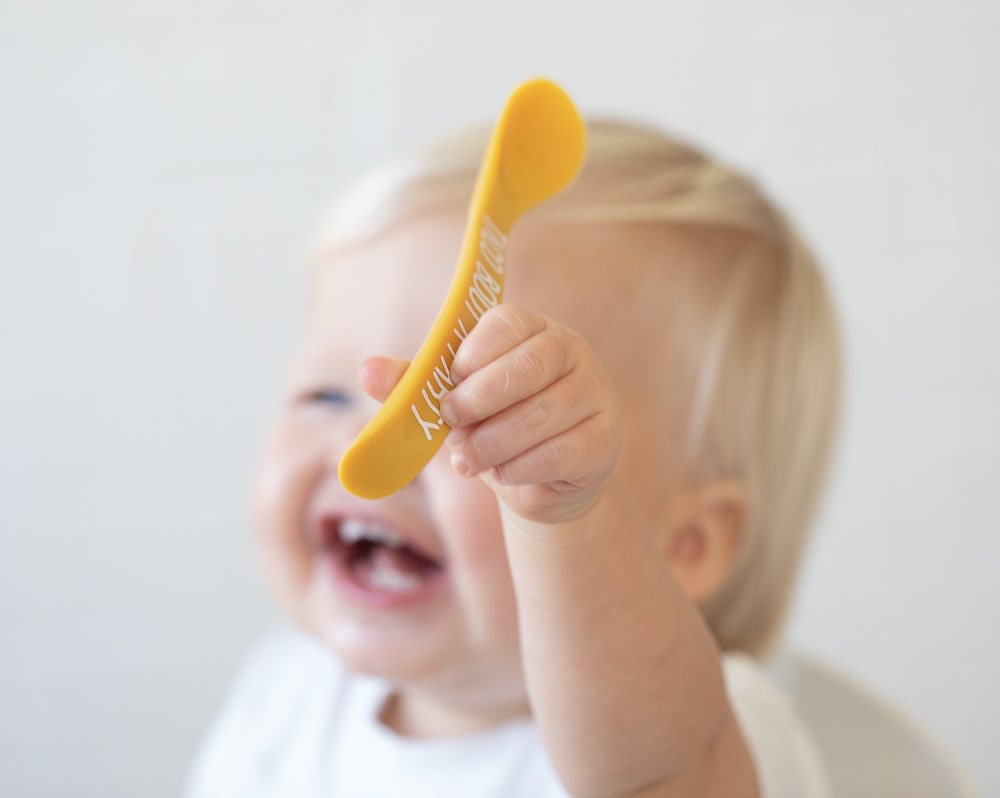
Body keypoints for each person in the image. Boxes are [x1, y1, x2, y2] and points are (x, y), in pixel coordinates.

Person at [185, 117, 842, 798]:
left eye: (472, 411)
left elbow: (657, 778)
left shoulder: (692, 740)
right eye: (325, 395)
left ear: (687, 544)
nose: (364, 446)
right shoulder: (287, 695)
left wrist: (562, 516)